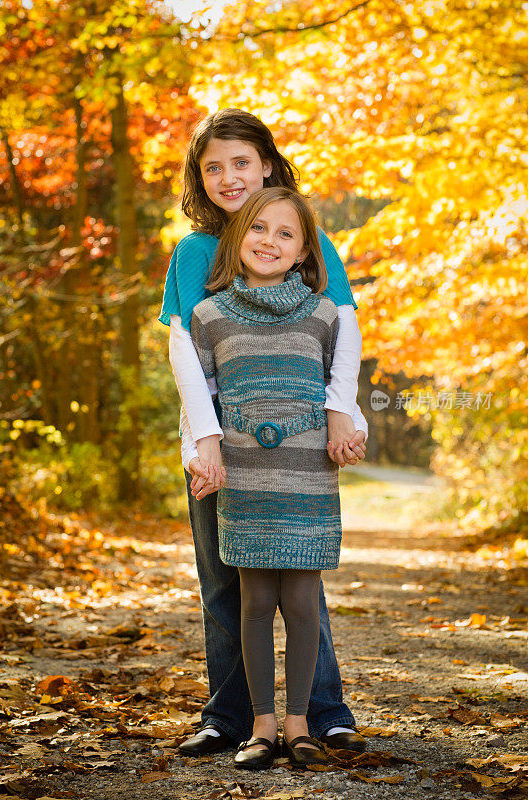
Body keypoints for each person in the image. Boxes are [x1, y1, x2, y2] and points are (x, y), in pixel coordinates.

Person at [158, 109, 368, 756]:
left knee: (299, 573)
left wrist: (343, 410)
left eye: (240, 162)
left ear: (268, 164)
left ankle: (325, 712)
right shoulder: (195, 252)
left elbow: (343, 327)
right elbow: (185, 347)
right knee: (226, 580)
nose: (227, 176)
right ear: (199, 177)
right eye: (212, 166)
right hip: (220, 440)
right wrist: (203, 440)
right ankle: (231, 718)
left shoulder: (305, 235)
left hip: (296, 440)